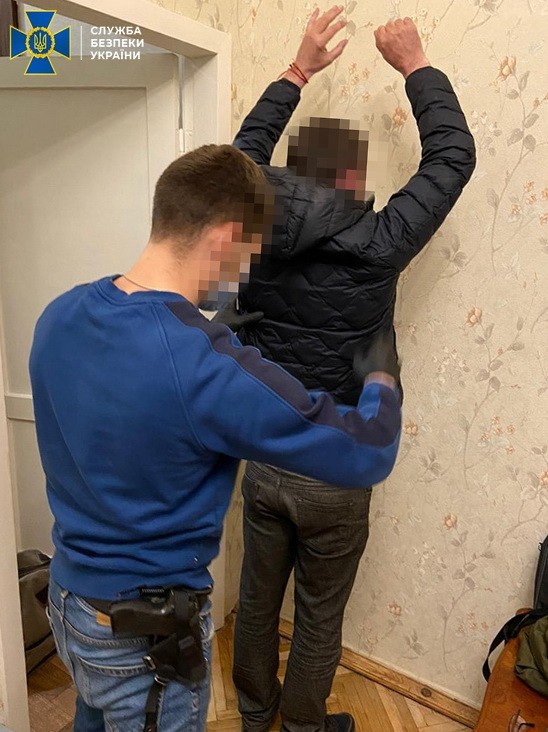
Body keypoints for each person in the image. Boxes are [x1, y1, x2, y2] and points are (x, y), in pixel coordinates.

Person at [29, 142, 402, 731]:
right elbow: (368, 450)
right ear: (227, 238)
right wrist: (382, 378)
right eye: (249, 255)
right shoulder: (206, 367)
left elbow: (127, 414)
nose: (243, 275)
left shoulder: (58, 315)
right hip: (145, 640)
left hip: (70, 605)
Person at [232, 8, 476, 732]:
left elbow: (241, 154)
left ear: (291, 173)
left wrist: (298, 69)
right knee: (318, 614)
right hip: (338, 469)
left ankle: (254, 715)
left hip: (265, 458)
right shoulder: (380, 240)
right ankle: (303, 726)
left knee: (256, 602)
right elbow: (452, 158)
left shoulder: (254, 229)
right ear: (354, 179)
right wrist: (416, 65)